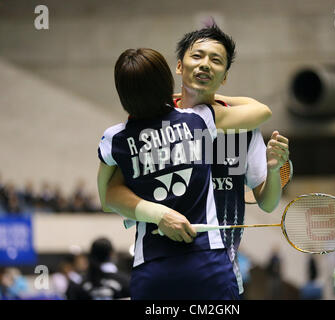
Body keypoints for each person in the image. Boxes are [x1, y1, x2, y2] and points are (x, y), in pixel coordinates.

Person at [99, 24, 290, 296]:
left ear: (224, 76)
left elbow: (268, 202)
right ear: (179, 66)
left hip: (219, 270)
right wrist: (159, 215)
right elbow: (112, 193)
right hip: (160, 268)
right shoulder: (151, 124)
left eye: (216, 60)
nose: (205, 65)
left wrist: (273, 170)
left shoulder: (240, 129)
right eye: (197, 56)